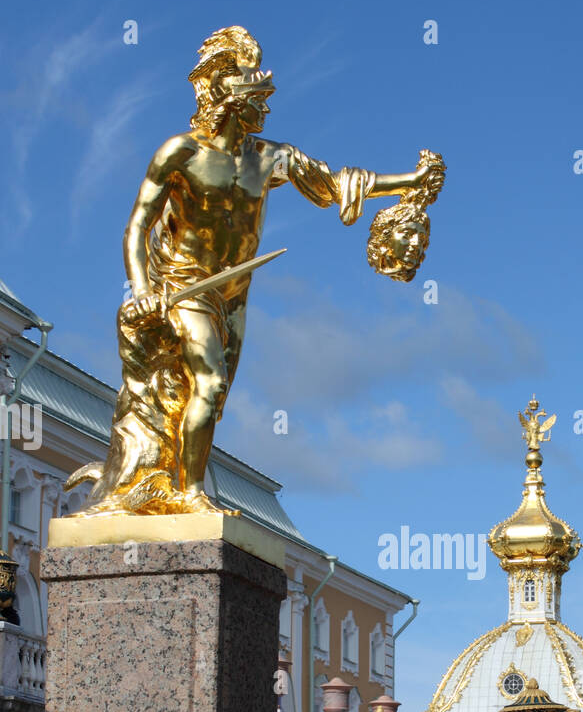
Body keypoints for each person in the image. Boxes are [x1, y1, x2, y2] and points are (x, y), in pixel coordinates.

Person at [66, 26, 440, 516]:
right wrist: (140, 288)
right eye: (258, 98)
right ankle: (192, 494)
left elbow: (334, 183)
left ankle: (166, 481)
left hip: (233, 298)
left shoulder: (269, 158)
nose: (267, 108)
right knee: (210, 382)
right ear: (231, 98)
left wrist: (409, 181)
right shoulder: (181, 154)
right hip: (183, 284)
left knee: (207, 399)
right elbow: (137, 225)